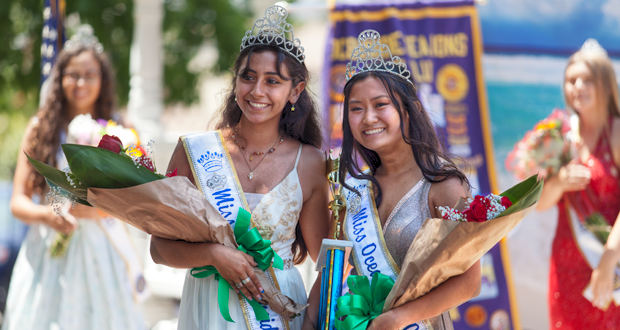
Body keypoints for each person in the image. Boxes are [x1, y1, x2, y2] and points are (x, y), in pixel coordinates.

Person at [149, 5, 329, 330]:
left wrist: (311, 321)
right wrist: (215, 256)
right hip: (209, 308)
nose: (257, 91)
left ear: (296, 91)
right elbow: (159, 249)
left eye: (272, 81)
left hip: (278, 308)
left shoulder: (311, 163)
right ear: (235, 82)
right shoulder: (194, 151)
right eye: (248, 77)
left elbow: (328, 265)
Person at [312, 29, 481, 330]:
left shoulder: (442, 184)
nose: (368, 118)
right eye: (356, 109)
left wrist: (397, 318)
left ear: (410, 109)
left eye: (380, 105)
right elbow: (330, 274)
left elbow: (469, 282)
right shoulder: (352, 189)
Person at [4, 27, 146, 330]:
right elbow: (17, 202)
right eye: (72, 74)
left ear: (102, 80)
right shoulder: (41, 128)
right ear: (60, 78)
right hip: (49, 248)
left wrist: (100, 208)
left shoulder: (122, 129)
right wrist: (49, 215)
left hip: (103, 248)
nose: (81, 83)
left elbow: (141, 199)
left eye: (90, 75)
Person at [536, 39, 620, 328]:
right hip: (565, 266)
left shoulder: (617, 133)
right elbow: (541, 203)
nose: (578, 87)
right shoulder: (559, 134)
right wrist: (559, 183)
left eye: (587, 80)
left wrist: (609, 260)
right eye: (572, 80)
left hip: (611, 261)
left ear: (606, 85)